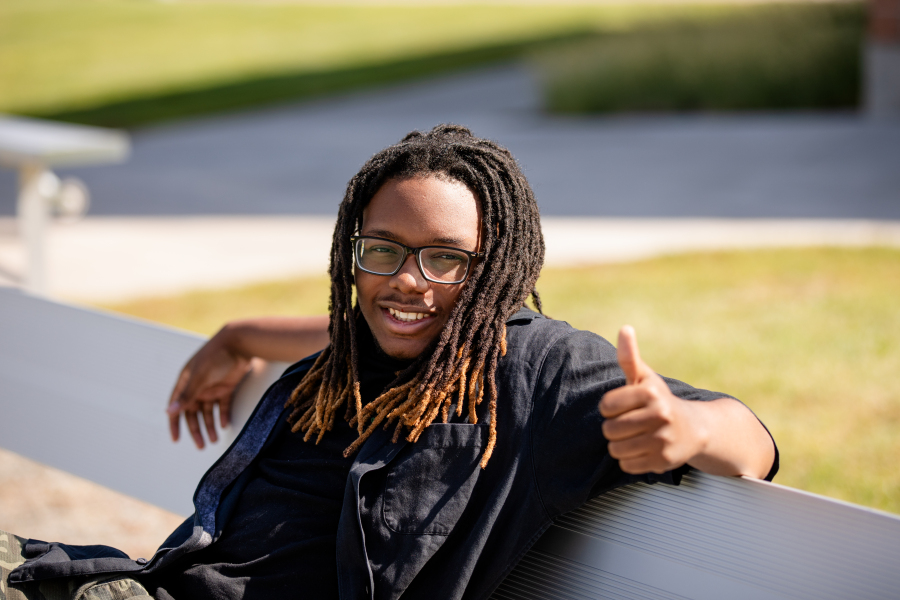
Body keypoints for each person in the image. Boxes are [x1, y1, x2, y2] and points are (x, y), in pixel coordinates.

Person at [3, 125, 776, 600]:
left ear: (496, 267)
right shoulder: (364, 343)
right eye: (384, 252)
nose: (409, 280)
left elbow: (751, 440)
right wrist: (239, 333)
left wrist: (684, 427)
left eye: (447, 259)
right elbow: (345, 327)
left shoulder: (535, 367)